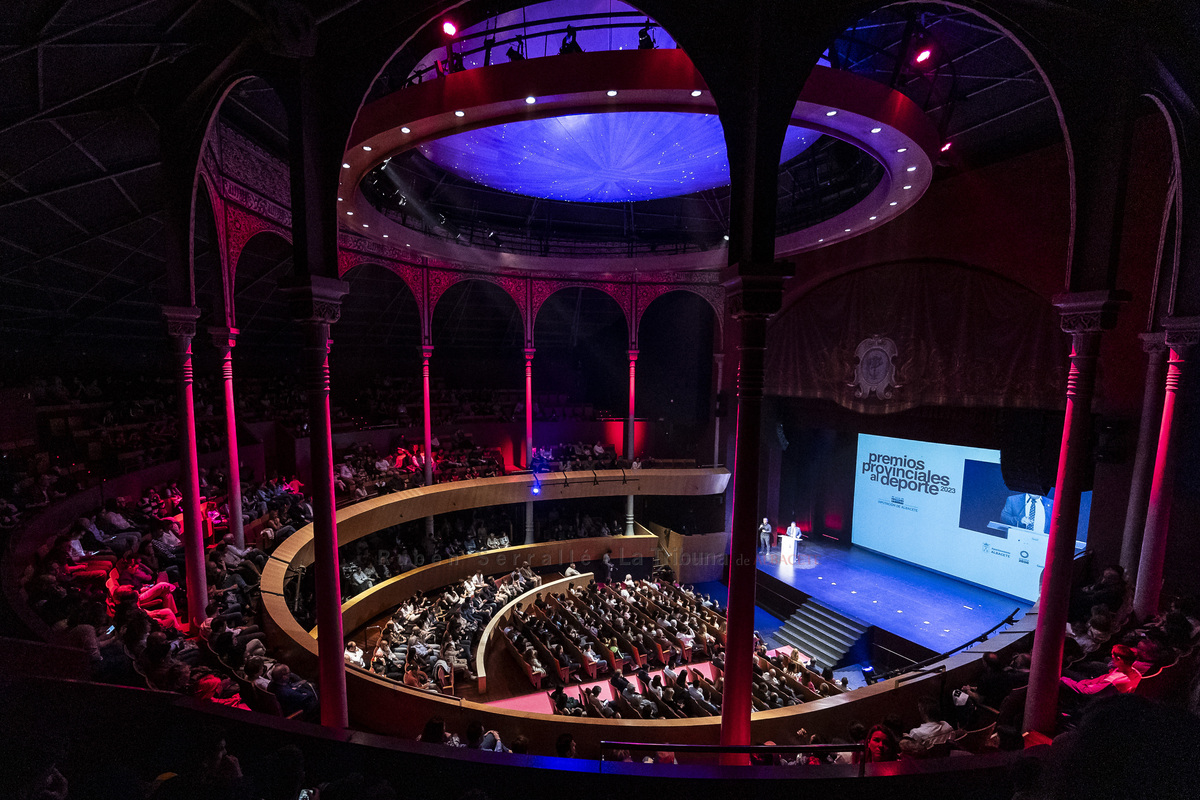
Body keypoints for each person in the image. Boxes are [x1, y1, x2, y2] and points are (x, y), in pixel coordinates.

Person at [1061, 644, 1141, 696]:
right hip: (1093, 685)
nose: (1112, 659)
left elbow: (1088, 691)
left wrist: (1065, 680)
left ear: (1119, 659)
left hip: (1095, 697)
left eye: (1113, 658)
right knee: (1067, 672)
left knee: (1063, 675)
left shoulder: (1114, 680)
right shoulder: (1136, 673)